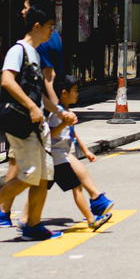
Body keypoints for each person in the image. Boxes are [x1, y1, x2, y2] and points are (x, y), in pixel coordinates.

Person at [0, 3, 74, 240]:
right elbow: (7, 81)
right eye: (50, 27)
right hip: (22, 122)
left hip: (36, 123)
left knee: (44, 175)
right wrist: (30, 107)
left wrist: (58, 112)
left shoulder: (35, 53)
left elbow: (37, 93)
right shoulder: (18, 50)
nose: (52, 32)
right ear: (37, 26)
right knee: (29, 173)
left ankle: (32, 225)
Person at [48, 74, 114, 230]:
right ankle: (92, 219)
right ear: (64, 93)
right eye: (75, 91)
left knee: (38, 191)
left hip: (62, 156)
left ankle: (26, 219)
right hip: (57, 158)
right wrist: (64, 122)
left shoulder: (65, 111)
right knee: (76, 187)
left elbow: (72, 132)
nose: (77, 94)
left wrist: (86, 150)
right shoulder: (57, 114)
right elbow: (50, 134)